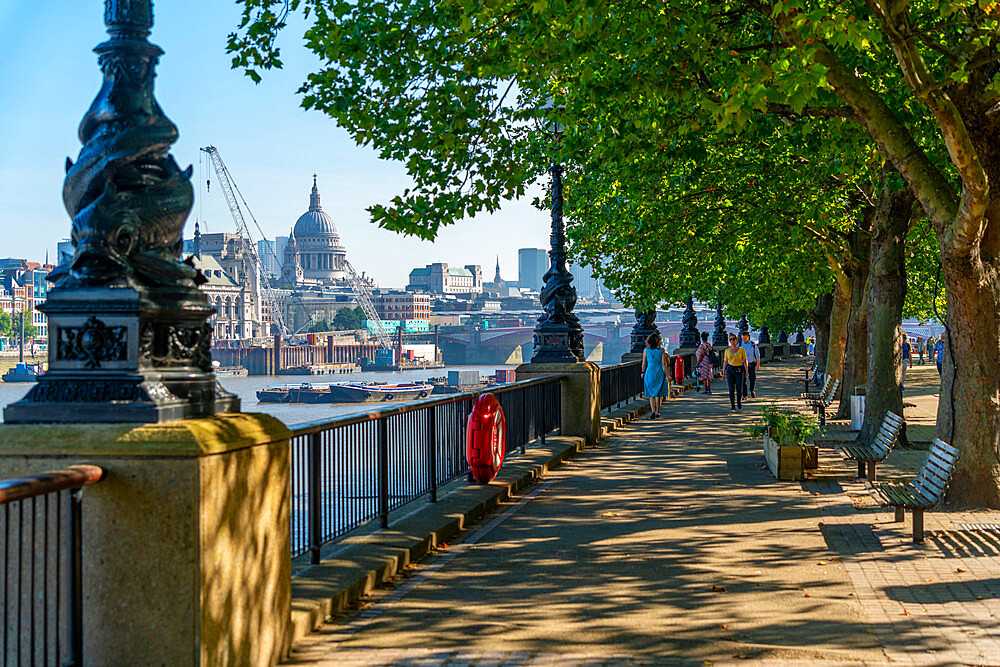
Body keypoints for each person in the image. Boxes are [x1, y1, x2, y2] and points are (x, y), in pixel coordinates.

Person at [641, 332, 670, 419]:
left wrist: (642, 372)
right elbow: (664, 364)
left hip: (649, 372)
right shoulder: (661, 350)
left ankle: (653, 411)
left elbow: (644, 363)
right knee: (658, 394)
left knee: (651, 394)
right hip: (659, 372)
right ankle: (658, 411)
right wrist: (668, 375)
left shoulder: (646, 350)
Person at [723, 333, 749, 413]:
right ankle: (732, 406)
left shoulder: (741, 350)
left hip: (739, 370)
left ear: (737, 340)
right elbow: (725, 362)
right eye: (730, 339)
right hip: (730, 369)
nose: (732, 341)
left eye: (733, 339)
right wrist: (723, 373)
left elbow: (745, 361)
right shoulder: (727, 351)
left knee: (739, 388)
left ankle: (738, 401)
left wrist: (747, 371)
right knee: (731, 389)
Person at [739, 331, 761, 400]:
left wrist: (758, 363)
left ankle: (752, 390)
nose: (744, 340)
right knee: (743, 380)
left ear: (748, 337)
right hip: (742, 365)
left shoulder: (753, 344)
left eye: (745, 339)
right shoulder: (739, 345)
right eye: (743, 339)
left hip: (751, 364)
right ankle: (745, 395)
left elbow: (757, 354)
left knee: (752, 378)